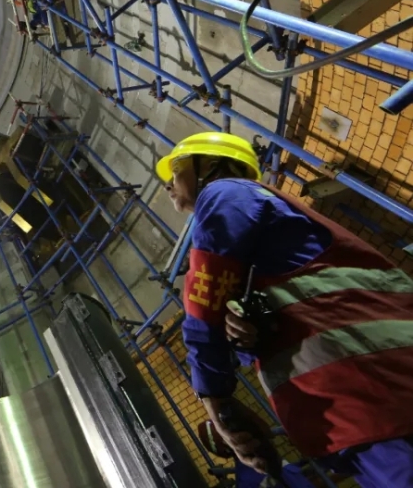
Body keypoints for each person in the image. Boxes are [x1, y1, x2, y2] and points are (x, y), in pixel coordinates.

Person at [157, 131, 413, 488]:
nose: (168, 185)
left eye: (177, 169)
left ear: (210, 166)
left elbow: (205, 300)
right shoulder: (263, 243)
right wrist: (245, 337)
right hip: (366, 401)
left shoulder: (225, 192)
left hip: (373, 392)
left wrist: (216, 402)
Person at [198, 420, 317, 488]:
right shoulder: (249, 480)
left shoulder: (267, 457)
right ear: (228, 442)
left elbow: (293, 476)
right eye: (231, 428)